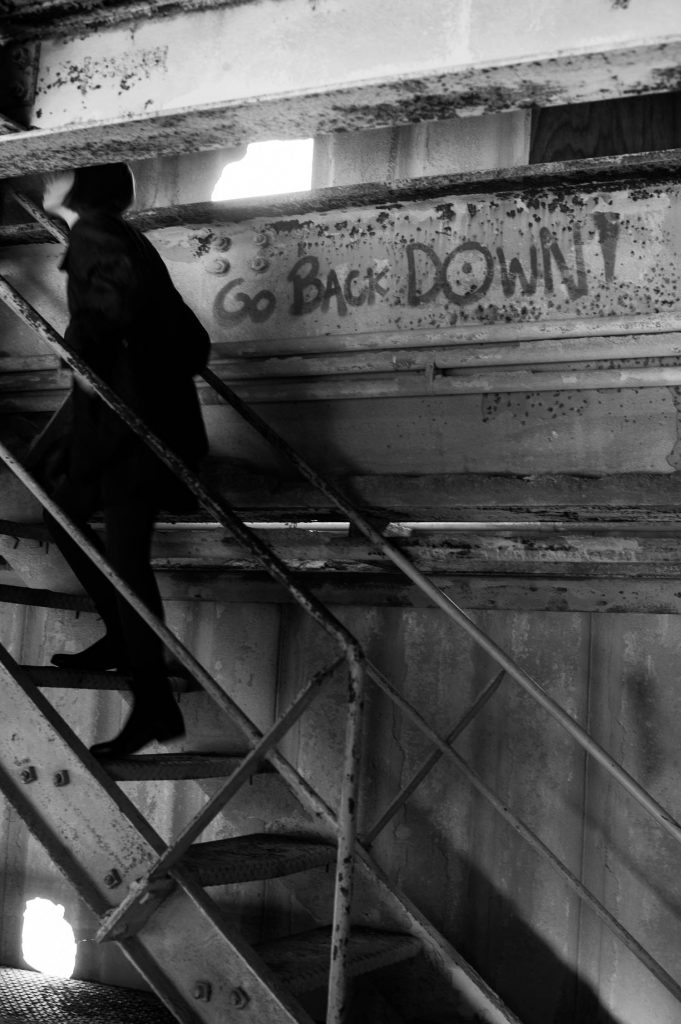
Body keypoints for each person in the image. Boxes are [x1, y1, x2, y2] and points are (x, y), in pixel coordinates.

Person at [38, 163, 210, 758]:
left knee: (124, 562)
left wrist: (83, 363)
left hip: (131, 425)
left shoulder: (98, 234)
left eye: (62, 171)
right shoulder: (111, 233)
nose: (47, 177)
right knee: (61, 510)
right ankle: (122, 639)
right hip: (131, 419)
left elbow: (110, 313)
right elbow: (179, 331)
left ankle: (153, 701)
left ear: (80, 189)